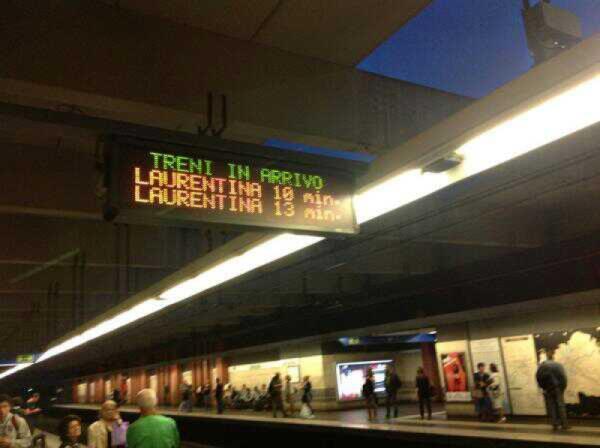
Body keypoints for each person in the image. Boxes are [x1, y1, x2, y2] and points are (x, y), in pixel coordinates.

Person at [536, 351, 569, 431]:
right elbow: (563, 377)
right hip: (558, 387)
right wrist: (562, 387)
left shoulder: (541, 366)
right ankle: (564, 424)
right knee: (560, 405)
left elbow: (538, 377)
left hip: (548, 388)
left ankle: (555, 424)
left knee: (552, 406)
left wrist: (543, 387)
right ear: (553, 357)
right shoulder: (558, 365)